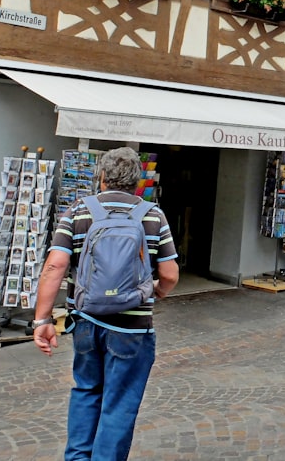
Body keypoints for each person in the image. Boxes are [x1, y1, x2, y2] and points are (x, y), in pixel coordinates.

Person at [32, 147, 179, 461]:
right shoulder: (153, 215)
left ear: (101, 177)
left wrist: (42, 320)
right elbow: (169, 274)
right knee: (120, 402)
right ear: (137, 181)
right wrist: (158, 291)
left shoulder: (77, 211)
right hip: (132, 330)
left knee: (86, 391)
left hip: (86, 322)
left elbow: (55, 267)